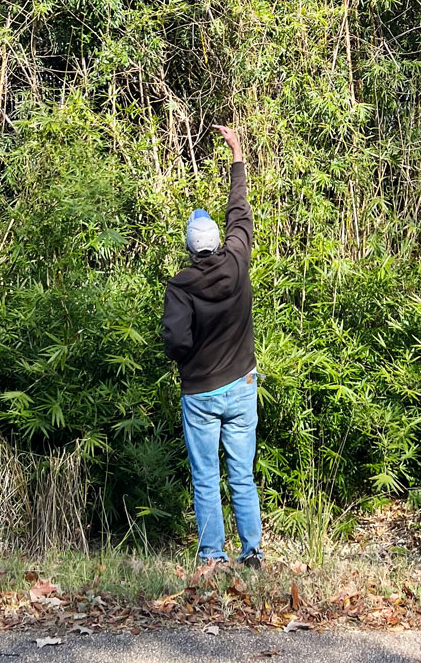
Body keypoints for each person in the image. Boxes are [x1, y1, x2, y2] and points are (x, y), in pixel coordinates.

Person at [162, 123, 264, 569]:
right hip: (242, 384)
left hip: (200, 392)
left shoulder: (180, 286)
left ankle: (211, 556)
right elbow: (240, 214)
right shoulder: (238, 263)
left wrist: (189, 362)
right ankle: (253, 552)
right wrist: (237, 153)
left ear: (188, 248)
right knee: (241, 473)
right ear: (219, 243)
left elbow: (175, 340)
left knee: (206, 476)